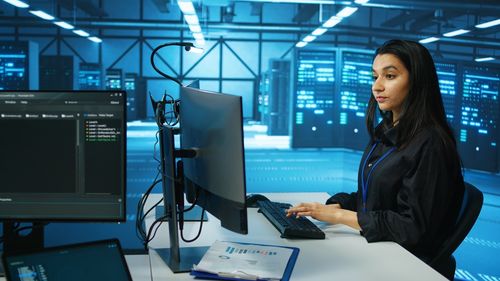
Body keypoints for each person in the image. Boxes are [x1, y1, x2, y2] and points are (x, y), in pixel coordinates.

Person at [287, 39, 465, 263]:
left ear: (417, 81)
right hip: (380, 249)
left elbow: (412, 228)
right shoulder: (387, 130)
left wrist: (340, 216)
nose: (377, 86)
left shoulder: (430, 144)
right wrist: (330, 208)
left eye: (389, 76)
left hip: (403, 262)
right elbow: (373, 198)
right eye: (375, 76)